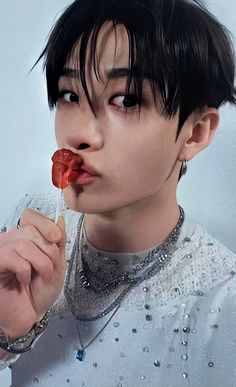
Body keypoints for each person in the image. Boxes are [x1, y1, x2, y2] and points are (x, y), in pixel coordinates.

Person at [0, 0, 236, 386]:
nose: (78, 134)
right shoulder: (28, 228)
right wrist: (7, 333)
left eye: (126, 100)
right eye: (70, 95)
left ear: (195, 133)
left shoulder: (222, 308)